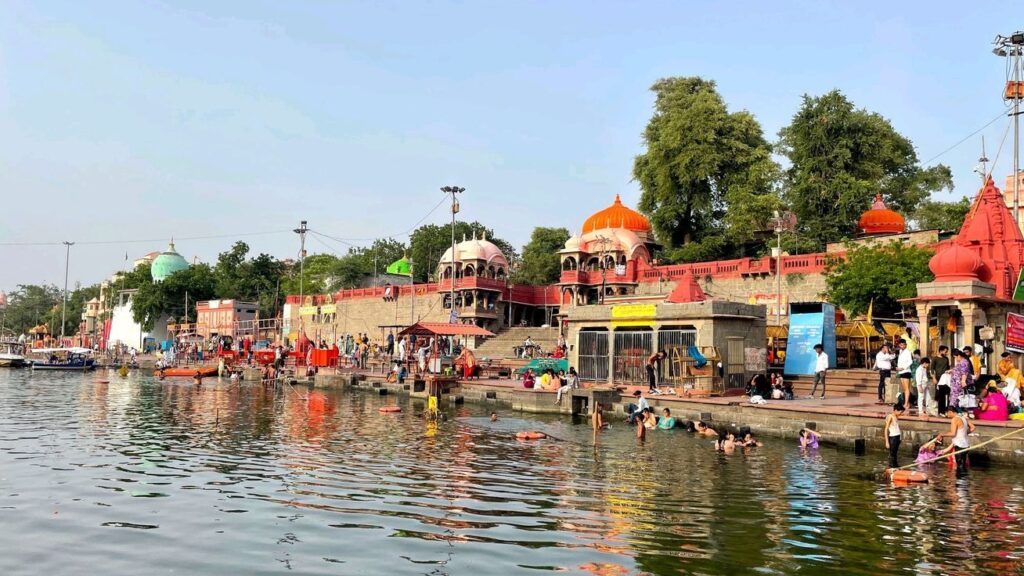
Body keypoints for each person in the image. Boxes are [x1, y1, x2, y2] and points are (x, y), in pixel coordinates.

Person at [945, 407, 975, 472]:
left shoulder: (954, 419)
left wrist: (941, 434)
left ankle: (960, 477)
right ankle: (964, 478)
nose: (946, 415)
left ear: (950, 412)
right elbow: (973, 427)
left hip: (959, 445)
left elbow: (953, 433)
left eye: (946, 413)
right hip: (966, 445)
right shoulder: (963, 418)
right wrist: (964, 433)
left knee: (960, 466)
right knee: (963, 465)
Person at [884, 403, 905, 469]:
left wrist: (900, 438)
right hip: (893, 438)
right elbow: (886, 429)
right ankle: (891, 467)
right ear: (895, 410)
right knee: (892, 454)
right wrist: (887, 442)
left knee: (895, 453)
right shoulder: (890, 416)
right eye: (900, 412)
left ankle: (895, 466)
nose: (901, 414)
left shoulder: (895, 416)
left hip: (897, 437)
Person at [896, 340, 913, 407]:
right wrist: (898, 368)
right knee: (904, 388)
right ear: (899, 345)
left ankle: (906, 404)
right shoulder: (900, 351)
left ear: (906, 345)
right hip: (901, 371)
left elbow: (910, 361)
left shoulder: (908, 352)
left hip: (906, 371)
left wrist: (903, 368)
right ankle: (907, 403)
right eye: (901, 345)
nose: (902, 346)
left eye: (903, 345)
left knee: (906, 388)